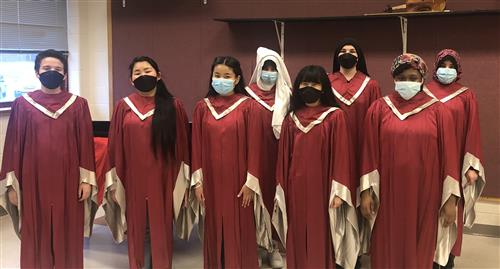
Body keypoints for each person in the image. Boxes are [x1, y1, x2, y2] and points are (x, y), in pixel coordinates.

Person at [359, 53, 461, 268]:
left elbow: (450, 156)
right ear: (394, 78)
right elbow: (369, 153)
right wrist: (366, 192)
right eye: (402, 77)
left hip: (426, 191)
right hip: (388, 192)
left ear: (422, 78)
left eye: (413, 78)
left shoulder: (438, 111)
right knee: (387, 240)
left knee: (421, 242)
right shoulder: (379, 109)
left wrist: (451, 200)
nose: (408, 82)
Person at [0, 49, 97, 268]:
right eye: (46, 68)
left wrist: (86, 180)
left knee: (68, 231)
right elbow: (14, 147)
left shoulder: (78, 104)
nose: (52, 72)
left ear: (64, 75)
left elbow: (85, 144)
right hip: (33, 180)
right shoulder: (23, 104)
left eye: (57, 69)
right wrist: (12, 186)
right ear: (36, 72)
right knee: (36, 232)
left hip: (69, 178)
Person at [103, 56, 192, 269]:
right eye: (137, 73)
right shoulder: (123, 107)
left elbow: (182, 147)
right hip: (133, 179)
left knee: (161, 229)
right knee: (135, 230)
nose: (143, 75)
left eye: (148, 71)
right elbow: (114, 146)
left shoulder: (173, 105)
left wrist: (184, 183)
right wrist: (114, 181)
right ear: (131, 80)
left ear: (158, 75)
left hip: (163, 178)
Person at [273, 65, 358, 269]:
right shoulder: (291, 119)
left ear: (324, 88)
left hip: (324, 189)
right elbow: (284, 158)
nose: (308, 87)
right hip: (296, 188)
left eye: (314, 83)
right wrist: (281, 190)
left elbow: (342, 155)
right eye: (304, 83)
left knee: (322, 233)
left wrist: (339, 192)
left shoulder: (335, 116)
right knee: (298, 232)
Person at [191, 56, 260, 268]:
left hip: (239, 181)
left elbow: (255, 147)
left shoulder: (249, 107)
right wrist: (198, 181)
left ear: (237, 78)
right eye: (217, 76)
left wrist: (251, 182)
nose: (221, 80)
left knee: (238, 227)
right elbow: (196, 146)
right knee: (213, 227)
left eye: (227, 76)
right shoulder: (203, 107)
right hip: (210, 179)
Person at [424, 49, 486, 268]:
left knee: (450, 207)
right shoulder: (423, 91)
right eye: (443, 65)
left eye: (451, 66)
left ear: (458, 69)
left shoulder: (466, 95)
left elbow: (472, 130)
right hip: (427, 160)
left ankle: (446, 257)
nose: (446, 70)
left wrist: (472, 166)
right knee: (427, 207)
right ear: (436, 67)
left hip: (455, 160)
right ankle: (425, 254)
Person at [245, 47, 292, 268]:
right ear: (259, 69)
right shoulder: (246, 95)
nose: (270, 72)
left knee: (275, 197)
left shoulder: (286, 95)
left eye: (274, 68)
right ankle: (254, 245)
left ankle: (273, 246)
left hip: (278, 155)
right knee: (253, 198)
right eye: (266, 67)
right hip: (251, 155)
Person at [328, 38, 381, 207]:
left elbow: (377, 119)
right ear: (337, 57)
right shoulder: (327, 82)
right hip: (334, 144)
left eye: (352, 52)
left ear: (359, 58)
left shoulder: (371, 85)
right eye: (343, 51)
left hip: (362, 144)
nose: (347, 54)